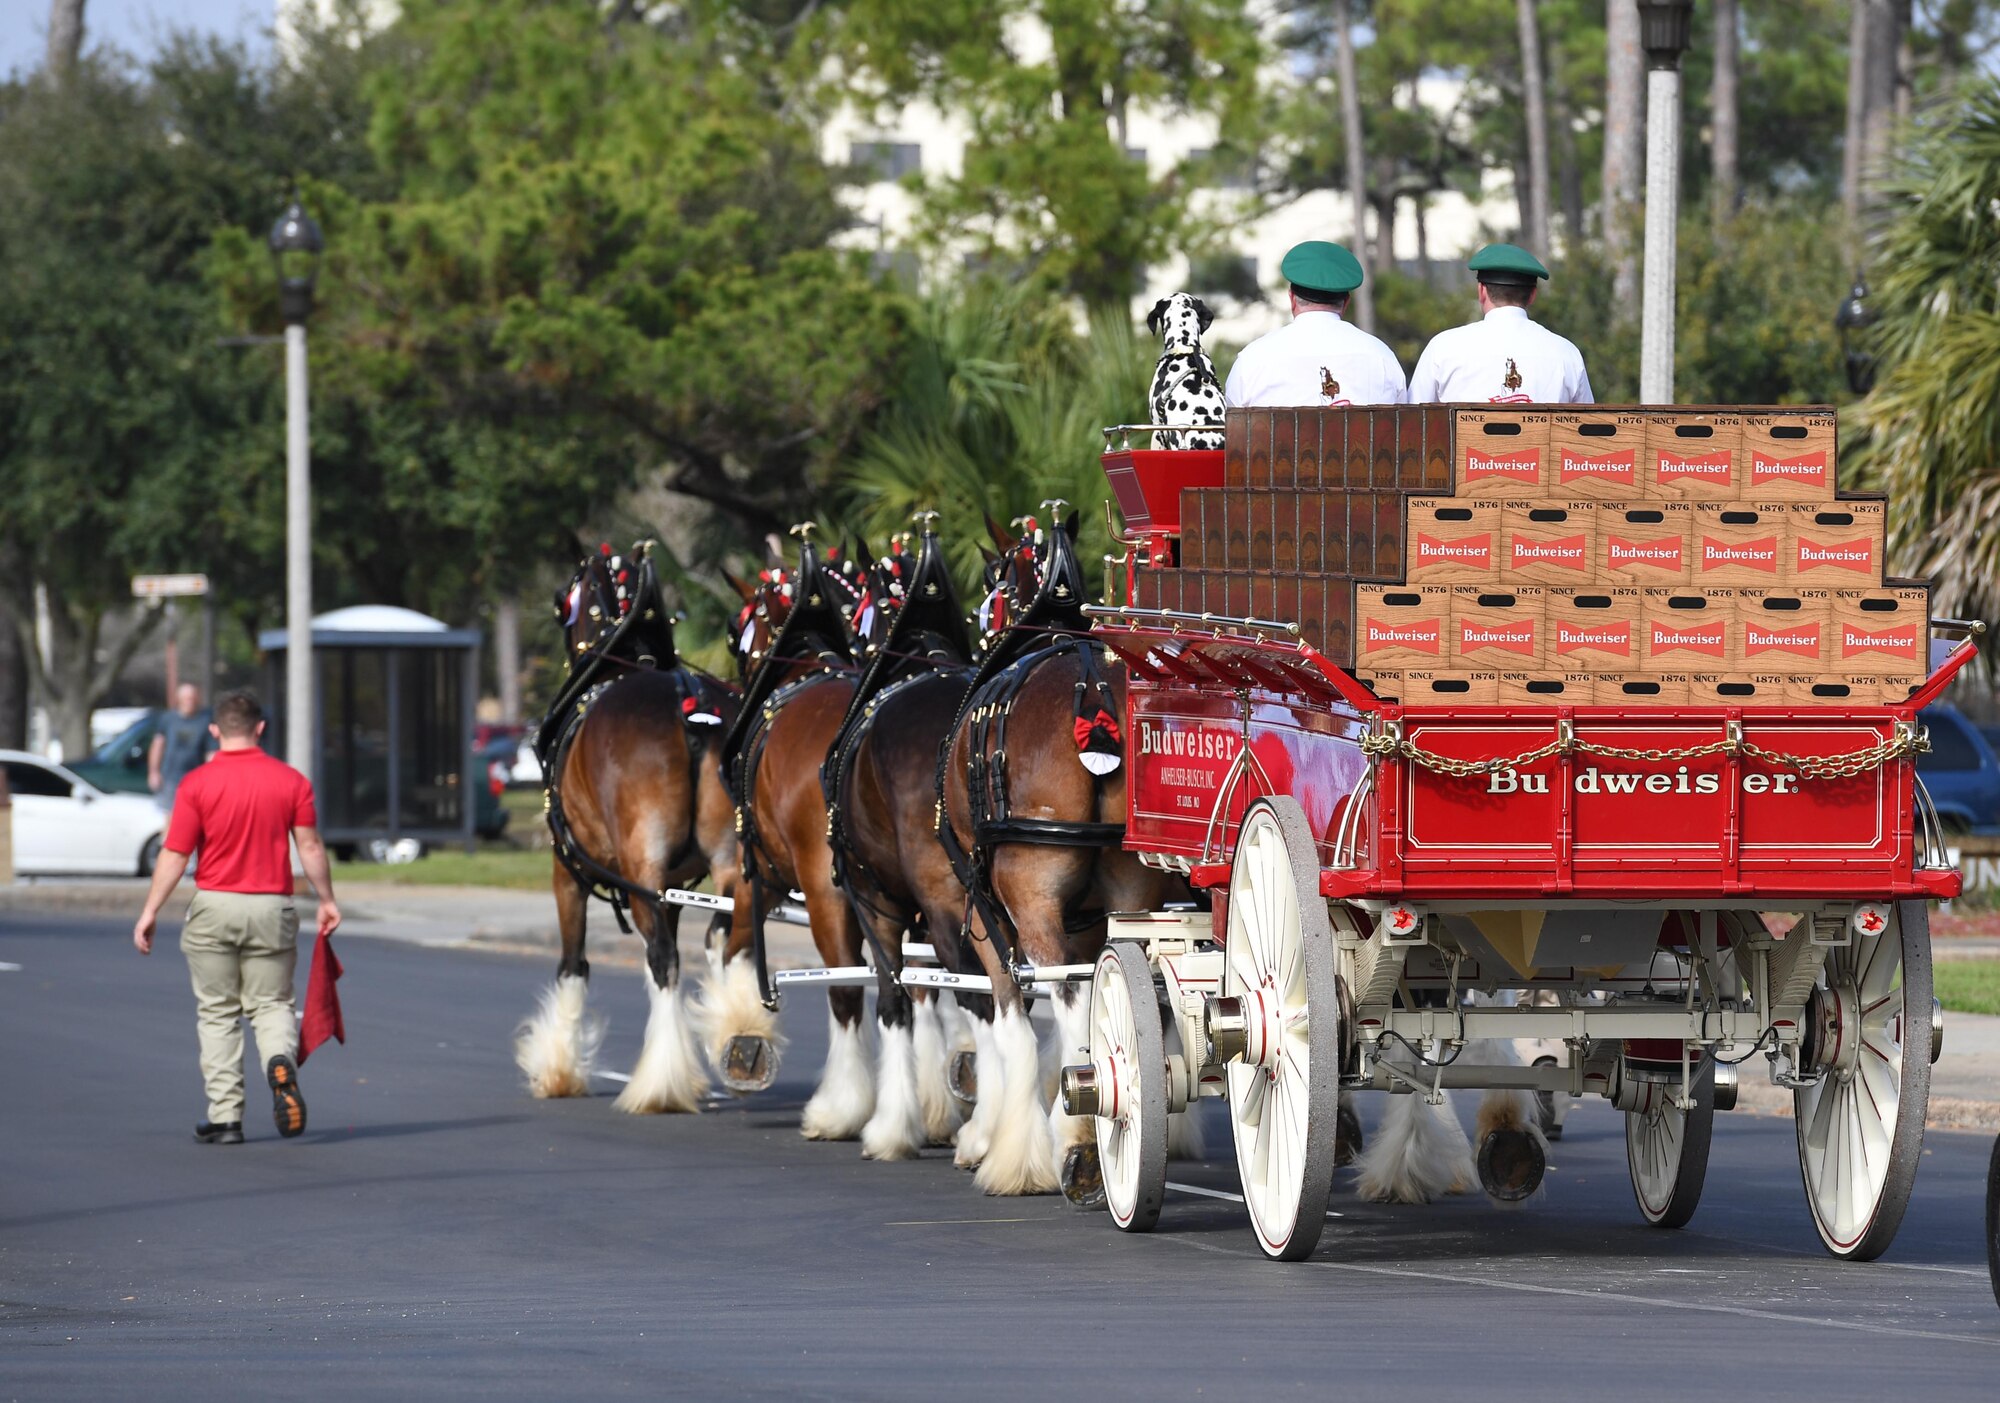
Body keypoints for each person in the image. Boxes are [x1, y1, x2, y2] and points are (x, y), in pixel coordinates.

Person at [132, 689, 339, 1145]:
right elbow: (309, 847)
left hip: (214, 906)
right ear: (260, 729)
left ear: (214, 730)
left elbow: (174, 853)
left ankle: (225, 1117)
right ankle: (278, 1061)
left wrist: (150, 911)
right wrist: (326, 898)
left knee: (218, 1012)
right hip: (272, 906)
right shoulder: (291, 781)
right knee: (271, 1004)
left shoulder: (196, 784)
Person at [1224, 240, 1409, 408]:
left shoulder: (1253, 359)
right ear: (1346, 302)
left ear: (1292, 299)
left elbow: (1231, 429)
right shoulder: (1382, 356)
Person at [1409, 243, 1593, 404]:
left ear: (1481, 291)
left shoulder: (1442, 348)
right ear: (1533, 295)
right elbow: (1586, 428)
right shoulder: (1567, 353)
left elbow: (1412, 421)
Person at [148, 682, 216, 810]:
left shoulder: (206, 721)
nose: (189, 701)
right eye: (186, 698)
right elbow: (158, 746)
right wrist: (154, 772)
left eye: (192, 698)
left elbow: (210, 753)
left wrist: (211, 778)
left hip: (196, 780)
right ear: (178, 699)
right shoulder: (168, 719)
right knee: (169, 818)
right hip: (170, 779)